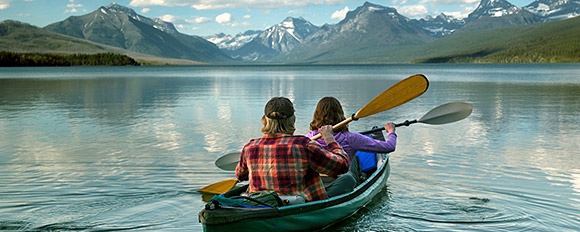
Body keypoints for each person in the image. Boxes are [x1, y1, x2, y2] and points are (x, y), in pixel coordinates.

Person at [235, 97, 354, 202]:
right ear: (293, 120)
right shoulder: (304, 145)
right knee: (348, 179)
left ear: (264, 120)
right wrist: (329, 139)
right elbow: (342, 166)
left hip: (262, 202)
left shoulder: (250, 147)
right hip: (304, 204)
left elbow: (240, 175)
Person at [306, 96, 397, 180]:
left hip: (317, 183)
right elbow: (389, 146)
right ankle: (362, 176)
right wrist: (391, 132)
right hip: (342, 181)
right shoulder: (350, 139)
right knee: (355, 158)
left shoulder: (308, 138)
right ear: (340, 114)